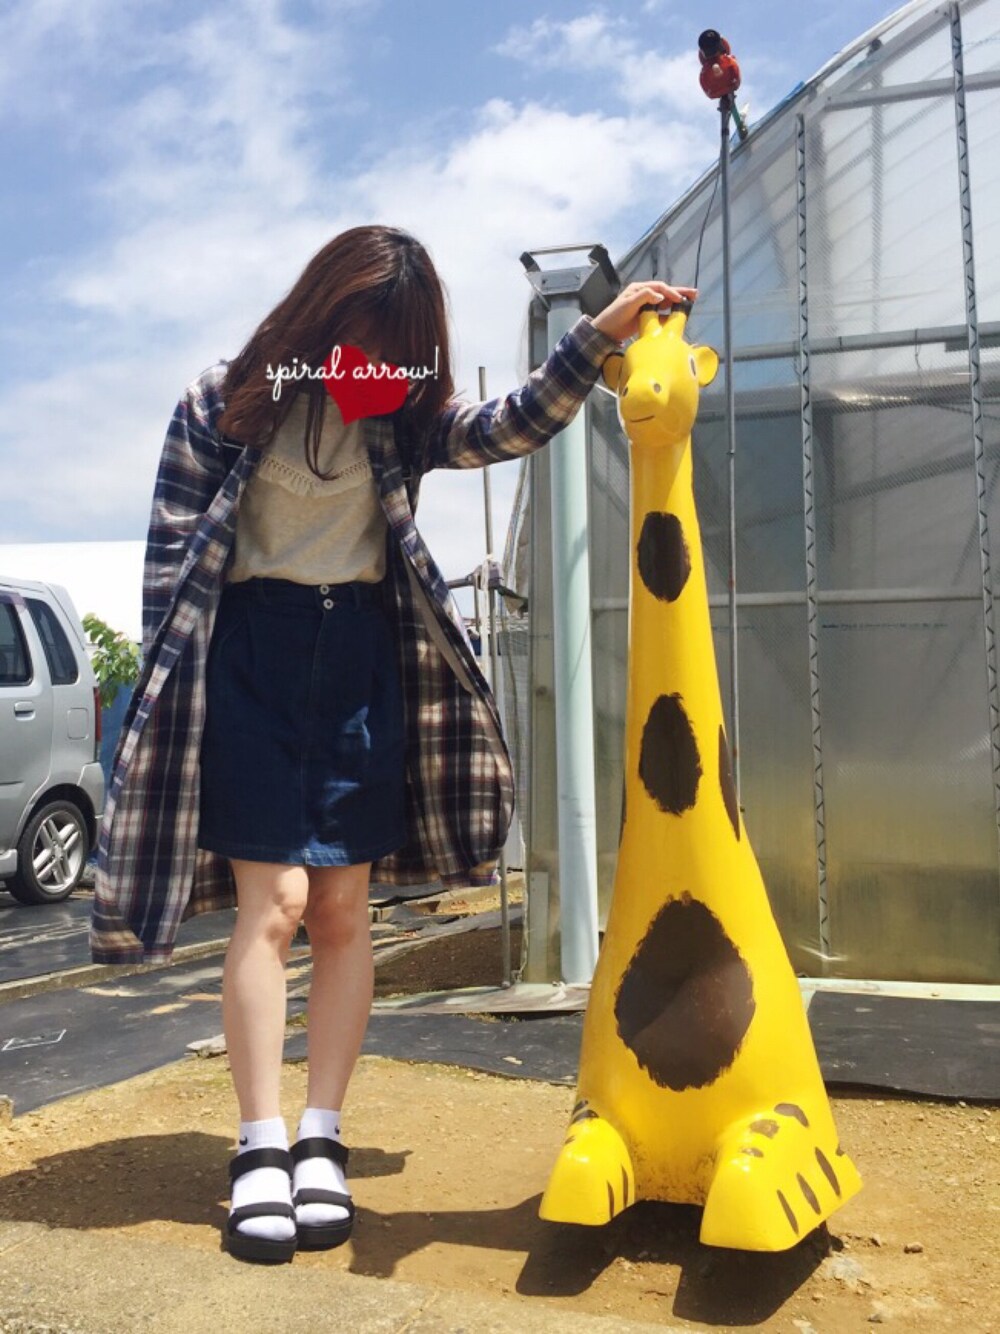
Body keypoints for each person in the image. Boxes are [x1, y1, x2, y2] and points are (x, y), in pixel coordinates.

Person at [89, 223, 696, 1263]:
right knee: (275, 904)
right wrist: (166, 705)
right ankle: (259, 1142)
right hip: (250, 662)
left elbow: (507, 423)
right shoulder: (223, 402)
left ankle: (320, 1134)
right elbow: (167, 567)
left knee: (339, 908)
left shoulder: (399, 412)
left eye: (396, 348)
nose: (374, 362)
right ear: (318, 317)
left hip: (359, 663)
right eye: (360, 338)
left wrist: (597, 334)